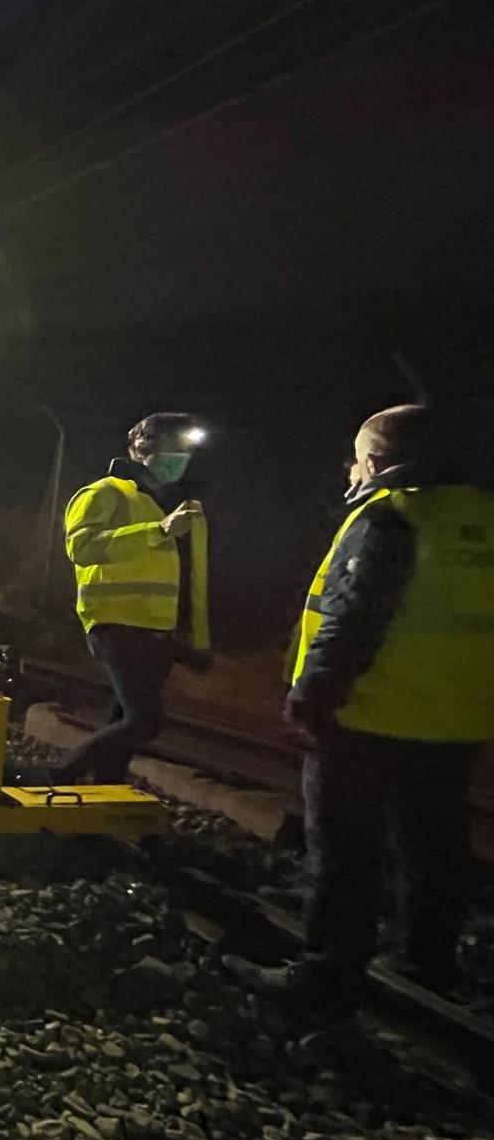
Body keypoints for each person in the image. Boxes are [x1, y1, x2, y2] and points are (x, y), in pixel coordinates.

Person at [227, 405, 494, 1015]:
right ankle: (426, 966)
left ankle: (326, 976)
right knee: (434, 847)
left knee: (345, 852)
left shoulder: (388, 517)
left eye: (357, 457)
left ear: (374, 459)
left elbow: (353, 617)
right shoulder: (486, 513)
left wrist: (311, 696)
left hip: (368, 718)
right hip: (460, 720)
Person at [48, 411, 211, 784]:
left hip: (154, 631)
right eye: (173, 449)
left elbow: (178, 577)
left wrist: (191, 640)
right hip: (116, 624)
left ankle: (104, 795)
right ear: (140, 450)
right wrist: (158, 530)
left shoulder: (163, 503)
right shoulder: (103, 493)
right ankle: (57, 776)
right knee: (144, 721)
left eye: (186, 450)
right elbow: (83, 548)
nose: (181, 459)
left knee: (123, 720)